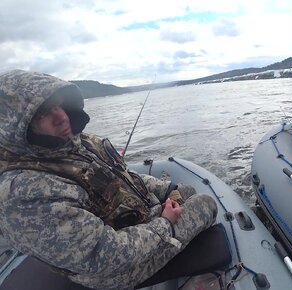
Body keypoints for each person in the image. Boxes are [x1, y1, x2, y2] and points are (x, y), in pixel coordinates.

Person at [0, 70, 218, 289]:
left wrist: (166, 189)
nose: (61, 117)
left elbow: (123, 176)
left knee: (185, 190)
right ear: (14, 128)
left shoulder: (76, 143)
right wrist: (165, 224)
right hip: (118, 271)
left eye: (58, 105)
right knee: (205, 204)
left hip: (144, 221)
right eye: (42, 115)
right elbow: (104, 254)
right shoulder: (22, 194)